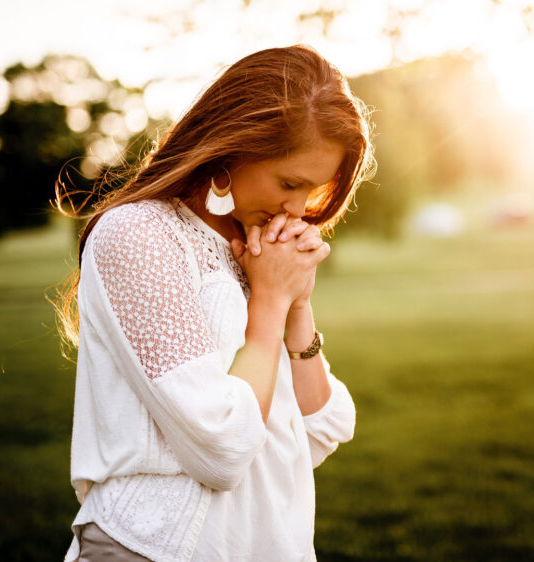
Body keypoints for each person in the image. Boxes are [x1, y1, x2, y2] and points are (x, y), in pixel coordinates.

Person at [51, 44, 376, 561]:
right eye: (289, 183)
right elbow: (222, 449)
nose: (298, 209)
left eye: (312, 191)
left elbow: (323, 427)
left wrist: (296, 305)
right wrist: (268, 303)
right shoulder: (139, 235)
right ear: (232, 149)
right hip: (154, 548)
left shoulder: (256, 247)